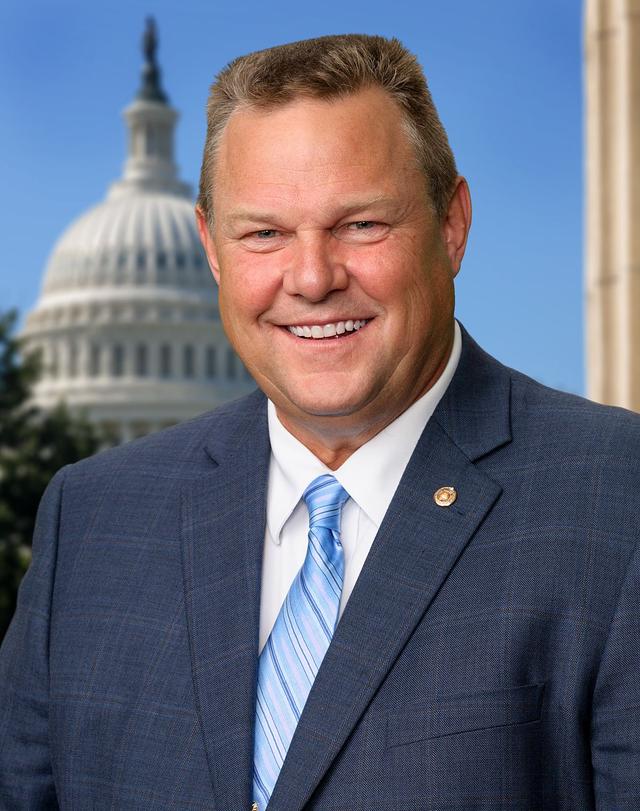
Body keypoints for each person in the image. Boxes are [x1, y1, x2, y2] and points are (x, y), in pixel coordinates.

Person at [1, 33, 639, 811]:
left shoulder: (617, 498)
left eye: (361, 224)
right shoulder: (93, 522)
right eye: (264, 232)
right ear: (210, 249)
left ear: (452, 224)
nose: (311, 278)